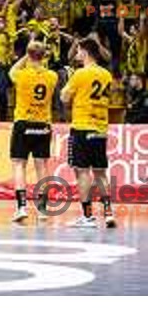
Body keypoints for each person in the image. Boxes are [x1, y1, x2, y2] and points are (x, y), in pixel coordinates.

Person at [61, 37, 116, 228]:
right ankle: (109, 212)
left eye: (78, 51)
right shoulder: (107, 74)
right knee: (100, 173)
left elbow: (64, 97)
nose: (76, 54)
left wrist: (69, 81)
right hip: (100, 129)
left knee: (82, 172)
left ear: (85, 52)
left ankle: (87, 216)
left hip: (82, 127)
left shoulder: (79, 74)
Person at [8, 41, 58, 222]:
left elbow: (11, 70)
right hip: (42, 124)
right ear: (44, 56)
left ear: (29, 55)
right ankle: (43, 209)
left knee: (18, 164)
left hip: (23, 123)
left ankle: (21, 207)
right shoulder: (52, 76)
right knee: (41, 166)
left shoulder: (21, 75)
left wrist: (26, 57)